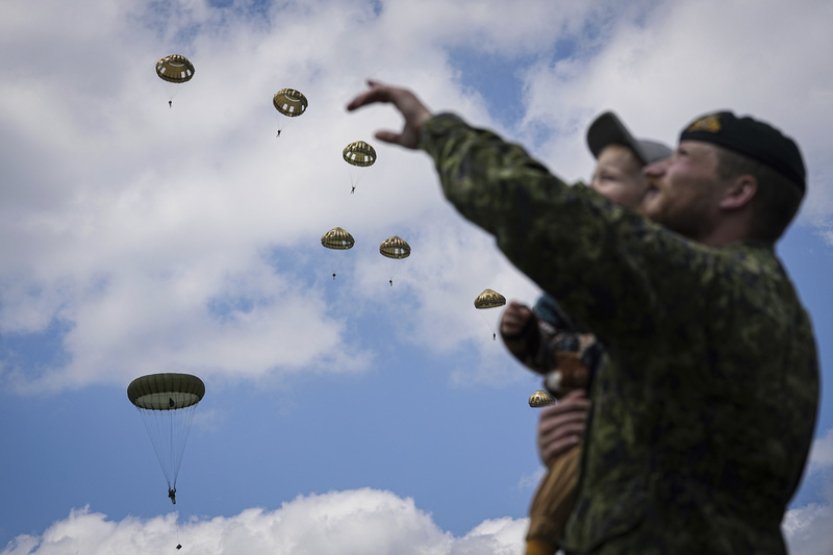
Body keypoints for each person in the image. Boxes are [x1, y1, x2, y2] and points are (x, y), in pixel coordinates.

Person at [346, 81, 820, 554]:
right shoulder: (752, 307)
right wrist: (596, 448)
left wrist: (435, 130)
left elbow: (539, 210)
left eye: (681, 159)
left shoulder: (708, 288)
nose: (657, 170)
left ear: (738, 191)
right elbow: (680, 455)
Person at [500, 112, 671, 554]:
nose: (594, 187)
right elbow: (549, 346)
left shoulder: (678, 276)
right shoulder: (579, 276)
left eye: (609, 178)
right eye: (593, 177)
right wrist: (522, 333)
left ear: (655, 194)